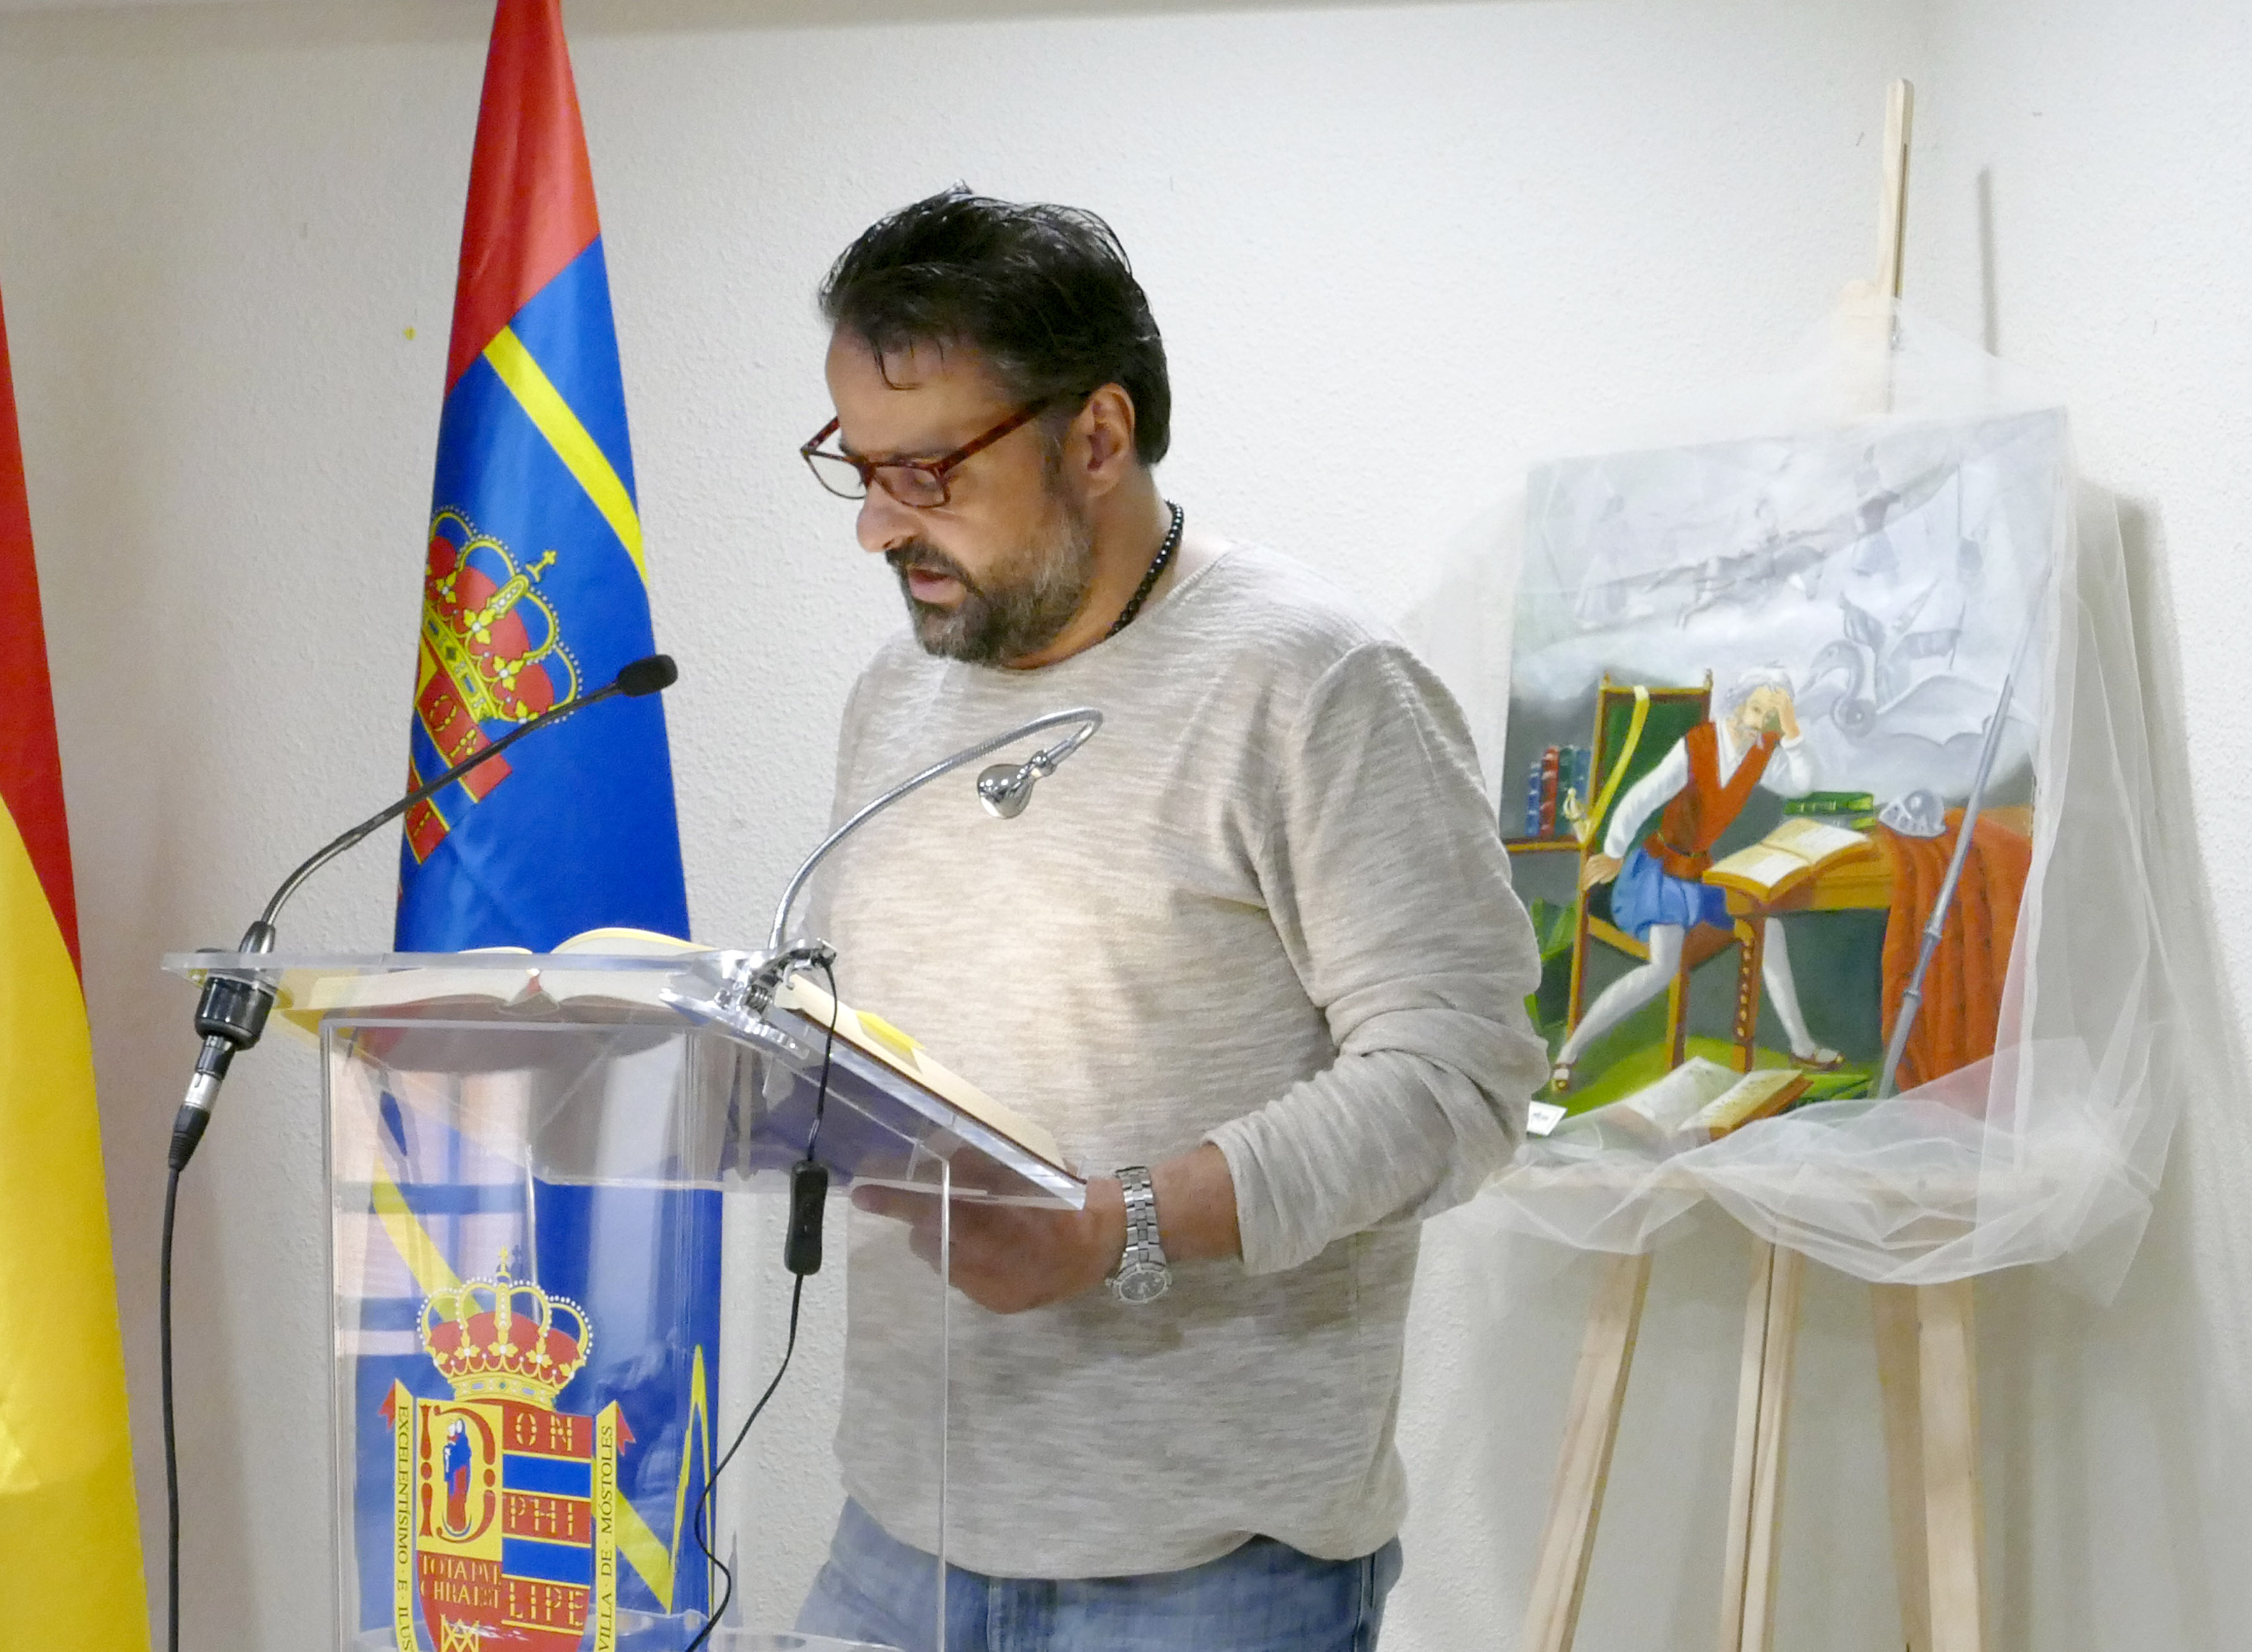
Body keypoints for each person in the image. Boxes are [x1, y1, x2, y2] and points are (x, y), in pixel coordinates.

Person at [790, 188, 1546, 1652]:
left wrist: (1110, 1227)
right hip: (900, 1532)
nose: (879, 526)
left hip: (1214, 1570)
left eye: (925, 470)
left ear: (1096, 434)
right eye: (858, 469)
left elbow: (1459, 1078)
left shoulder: (1314, 682)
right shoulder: (894, 695)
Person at [1550, 667, 1843, 1092]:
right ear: (1738, 704)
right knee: (1662, 968)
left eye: (1771, 716)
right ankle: (1570, 1050)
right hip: (1659, 874)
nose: (1759, 723)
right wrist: (1613, 852)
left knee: (1770, 931)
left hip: (1701, 875)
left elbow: (1802, 784)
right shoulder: (1699, 745)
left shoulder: (1761, 751)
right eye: (1756, 709)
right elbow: (1641, 797)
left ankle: (1802, 1046)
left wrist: (1792, 729)